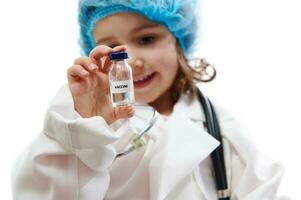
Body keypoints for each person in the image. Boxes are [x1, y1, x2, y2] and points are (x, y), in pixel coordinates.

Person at [11, 0, 290, 199]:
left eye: (146, 39)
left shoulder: (223, 127)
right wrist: (85, 133)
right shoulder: (83, 123)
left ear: (179, 41)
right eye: (110, 48)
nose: (129, 60)